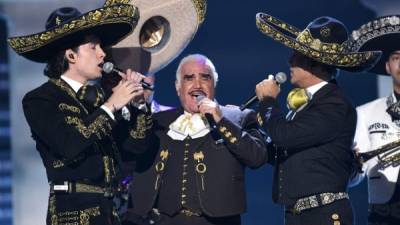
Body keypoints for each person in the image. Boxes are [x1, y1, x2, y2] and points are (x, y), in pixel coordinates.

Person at [7, 3, 152, 225]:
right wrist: (112, 105)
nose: (103, 54)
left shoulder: (100, 99)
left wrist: (139, 106)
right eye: (93, 47)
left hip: (110, 212)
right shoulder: (40, 99)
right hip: (72, 215)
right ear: (71, 56)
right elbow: (70, 143)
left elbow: (134, 148)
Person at [253, 13, 381, 225]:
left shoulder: (334, 104)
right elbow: (282, 149)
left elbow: (284, 136)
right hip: (298, 215)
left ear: (315, 63)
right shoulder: (308, 104)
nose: (289, 60)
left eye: (296, 54)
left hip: (324, 215)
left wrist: (267, 101)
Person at [122, 54, 267, 225]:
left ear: (214, 84)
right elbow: (133, 150)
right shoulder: (158, 121)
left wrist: (221, 120)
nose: (197, 85)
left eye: (205, 77)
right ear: (178, 87)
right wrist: (139, 105)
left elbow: (257, 158)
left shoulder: (238, 117)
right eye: (189, 78)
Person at [346, 15, 400, 225]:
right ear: (387, 66)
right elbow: (353, 179)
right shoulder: (365, 113)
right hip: (384, 215)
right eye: (396, 57)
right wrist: (354, 166)